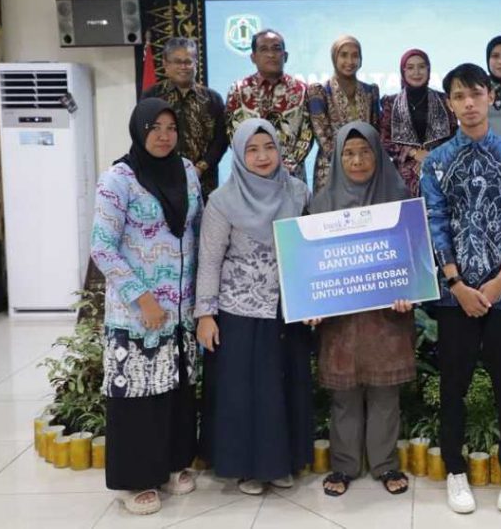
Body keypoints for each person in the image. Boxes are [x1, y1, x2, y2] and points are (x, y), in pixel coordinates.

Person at [420, 64, 501, 515]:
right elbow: (435, 223)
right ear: (449, 104)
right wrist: (457, 284)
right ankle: (455, 471)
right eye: (458, 96)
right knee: (454, 385)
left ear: (490, 96)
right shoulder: (436, 161)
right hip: (456, 297)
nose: (468, 103)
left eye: (475, 93)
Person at [90, 98, 202, 516]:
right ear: (139, 131)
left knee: (174, 390)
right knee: (137, 394)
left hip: (181, 309)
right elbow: (102, 246)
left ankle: (172, 464)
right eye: (154, 128)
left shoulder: (187, 171)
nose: (163, 136)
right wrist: (143, 297)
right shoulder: (118, 179)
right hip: (137, 311)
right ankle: (134, 479)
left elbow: (196, 229)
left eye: (171, 128)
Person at [194, 118, 313, 496]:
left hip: (286, 308)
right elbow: (209, 260)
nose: (263, 156)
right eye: (252, 150)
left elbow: (309, 249)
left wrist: (313, 298)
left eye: (269, 147)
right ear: (238, 155)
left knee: (284, 389)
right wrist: (206, 315)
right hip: (240, 311)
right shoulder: (222, 201)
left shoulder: (298, 192)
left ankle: (281, 464)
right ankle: (247, 469)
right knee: (247, 394)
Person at [308, 122, 416, 498]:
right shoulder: (321, 205)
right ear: (337, 159)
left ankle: (385, 465)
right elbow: (310, 265)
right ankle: (344, 465)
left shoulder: (398, 197)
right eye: (349, 154)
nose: (357, 161)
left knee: (385, 393)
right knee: (344, 396)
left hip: (387, 316)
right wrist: (312, 302)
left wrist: (409, 291)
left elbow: (414, 257)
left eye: (365, 152)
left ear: (377, 154)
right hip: (341, 320)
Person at [140, 37, 229, 195]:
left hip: (203, 183)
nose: (183, 67)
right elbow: (142, 133)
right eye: (177, 62)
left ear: (196, 63)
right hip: (161, 181)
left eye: (188, 62)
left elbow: (221, 140)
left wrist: (200, 168)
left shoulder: (212, 99)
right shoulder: (152, 96)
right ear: (166, 64)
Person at [225, 29, 314, 181]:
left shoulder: (302, 90)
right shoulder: (239, 90)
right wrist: (254, 162)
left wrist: (287, 166)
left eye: (276, 49)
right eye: (264, 49)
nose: (271, 54)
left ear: (285, 56)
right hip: (251, 175)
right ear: (253, 57)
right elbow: (232, 133)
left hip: (291, 177)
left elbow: (307, 134)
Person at [307, 35, 381, 190]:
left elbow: (374, 133)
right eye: (344, 55)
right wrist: (347, 162)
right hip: (330, 169)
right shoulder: (319, 92)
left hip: (364, 168)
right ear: (334, 58)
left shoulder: (370, 91)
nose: (350, 61)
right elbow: (323, 137)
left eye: (355, 56)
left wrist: (363, 162)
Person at [380, 48, 456, 196]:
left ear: (428, 70)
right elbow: (384, 140)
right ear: (403, 71)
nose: (416, 72)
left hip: (441, 170)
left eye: (421, 67)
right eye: (410, 67)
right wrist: (414, 153)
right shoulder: (391, 102)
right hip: (403, 179)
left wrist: (430, 156)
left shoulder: (443, 100)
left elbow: (454, 136)